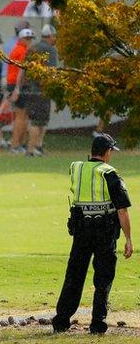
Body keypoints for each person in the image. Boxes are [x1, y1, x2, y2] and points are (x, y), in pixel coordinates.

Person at [52, 134, 133, 334]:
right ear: (107, 152)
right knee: (103, 277)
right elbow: (122, 210)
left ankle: (61, 321)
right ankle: (97, 324)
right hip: (104, 232)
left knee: (74, 275)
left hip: (81, 231)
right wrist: (129, 239)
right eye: (112, 151)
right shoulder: (109, 173)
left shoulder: (76, 168)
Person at [24, 25, 58, 157]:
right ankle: (31, 150)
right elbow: (50, 72)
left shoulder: (32, 48)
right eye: (54, 36)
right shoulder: (50, 50)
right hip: (42, 90)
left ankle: (37, 147)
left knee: (38, 120)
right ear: (50, 36)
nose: (55, 39)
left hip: (31, 89)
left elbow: (25, 70)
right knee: (38, 122)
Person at [7, 28, 36, 154]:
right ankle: (15, 145)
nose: (29, 41)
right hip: (18, 85)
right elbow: (21, 71)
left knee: (21, 116)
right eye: (27, 38)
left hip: (13, 84)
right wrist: (17, 89)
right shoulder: (23, 51)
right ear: (21, 39)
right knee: (21, 116)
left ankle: (19, 144)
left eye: (30, 39)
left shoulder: (16, 49)